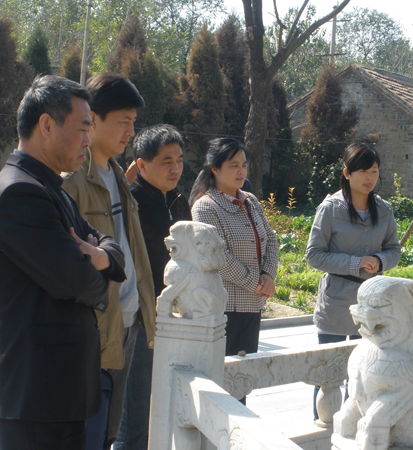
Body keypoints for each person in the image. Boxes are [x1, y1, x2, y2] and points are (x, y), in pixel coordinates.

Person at [0, 75, 126, 450]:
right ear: (46, 125)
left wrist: (100, 257)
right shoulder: (19, 193)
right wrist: (98, 268)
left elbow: (112, 248)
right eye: (83, 128)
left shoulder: (50, 189)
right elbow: (76, 283)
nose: (88, 140)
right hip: (35, 398)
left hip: (57, 392)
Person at [61, 73, 156, 450]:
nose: (131, 131)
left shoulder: (118, 175)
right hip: (97, 328)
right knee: (88, 430)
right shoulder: (71, 183)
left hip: (128, 318)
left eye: (134, 121)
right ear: (93, 119)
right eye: (123, 120)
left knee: (111, 431)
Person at [305, 143, 401, 421]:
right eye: (362, 171)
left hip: (372, 301)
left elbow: (394, 248)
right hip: (336, 299)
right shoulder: (331, 208)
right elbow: (314, 254)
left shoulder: (383, 210)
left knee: (364, 372)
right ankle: (323, 428)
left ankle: (354, 427)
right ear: (346, 173)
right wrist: (354, 263)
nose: (369, 178)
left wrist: (380, 260)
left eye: (374, 171)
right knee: (329, 371)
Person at [114, 124, 191, 450]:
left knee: (165, 408)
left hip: (177, 320)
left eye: (179, 160)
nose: (175, 168)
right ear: (141, 165)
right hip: (144, 319)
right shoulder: (131, 204)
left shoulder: (178, 201)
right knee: (134, 417)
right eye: (166, 161)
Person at [190, 138, 278, 369]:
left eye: (244, 165)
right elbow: (218, 256)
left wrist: (268, 275)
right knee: (221, 374)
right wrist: (255, 282)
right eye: (233, 165)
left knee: (243, 375)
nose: (241, 171)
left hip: (252, 305)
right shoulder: (205, 206)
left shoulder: (251, 201)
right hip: (224, 306)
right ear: (215, 169)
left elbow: (271, 239)